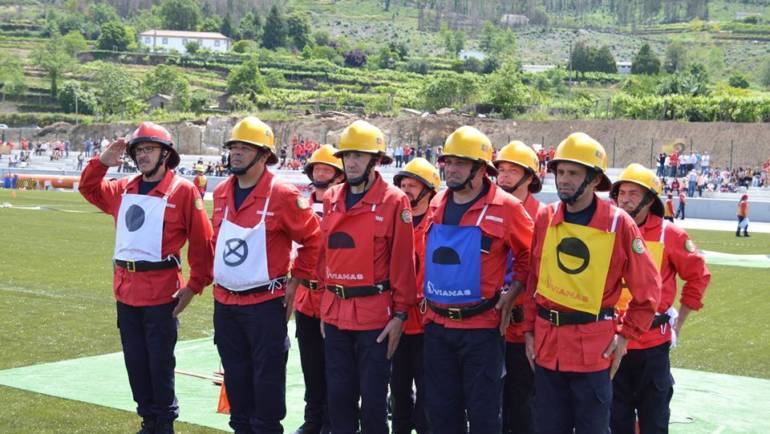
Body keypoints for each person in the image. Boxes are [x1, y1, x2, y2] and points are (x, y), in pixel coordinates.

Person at [79, 122, 214, 434]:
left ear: (166, 154)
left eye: (149, 149)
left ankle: (164, 422)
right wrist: (101, 162)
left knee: (159, 362)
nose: (143, 156)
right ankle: (148, 419)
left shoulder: (182, 191)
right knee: (136, 362)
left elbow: (202, 241)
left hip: (162, 293)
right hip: (126, 291)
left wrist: (195, 285)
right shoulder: (122, 188)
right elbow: (88, 189)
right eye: (139, 150)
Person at [522, 132, 661, 434]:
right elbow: (535, 279)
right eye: (560, 172)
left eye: (573, 173)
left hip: (593, 353)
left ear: (595, 180)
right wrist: (529, 331)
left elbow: (648, 290)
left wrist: (626, 336)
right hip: (547, 349)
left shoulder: (618, 223)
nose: (564, 180)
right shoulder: (546, 218)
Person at [211, 116, 321, 433]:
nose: (236, 153)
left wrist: (295, 282)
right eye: (233, 147)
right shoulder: (221, 193)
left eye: (245, 148)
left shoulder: (284, 195)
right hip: (226, 305)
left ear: (264, 155)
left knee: (267, 382)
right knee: (235, 378)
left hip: (264, 306)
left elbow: (313, 239)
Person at [422, 126, 533, 434]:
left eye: (460, 163)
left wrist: (512, 294)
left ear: (481, 169)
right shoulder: (436, 203)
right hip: (437, 327)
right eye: (448, 162)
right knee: (442, 416)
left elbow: (530, 257)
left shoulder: (508, 208)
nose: (451, 169)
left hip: (482, 331)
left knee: (484, 416)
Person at [318, 120, 417, 434]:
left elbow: (403, 262)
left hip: (375, 318)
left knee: (374, 402)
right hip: (335, 314)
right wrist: (324, 305)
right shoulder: (331, 197)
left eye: (360, 156)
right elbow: (325, 256)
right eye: (347, 156)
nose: (351, 162)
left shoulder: (394, 201)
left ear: (376, 160)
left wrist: (401, 314)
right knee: (338, 398)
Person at [611, 163, 710, 434]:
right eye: (622, 192)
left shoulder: (670, 234)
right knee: (614, 421)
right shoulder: (608, 230)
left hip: (652, 346)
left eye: (633, 193)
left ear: (649, 199)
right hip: (611, 340)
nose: (625, 199)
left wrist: (678, 324)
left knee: (653, 421)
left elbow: (699, 275)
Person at [293, 144, 345, 434]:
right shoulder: (300, 204)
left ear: (338, 175)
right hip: (305, 297)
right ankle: (313, 419)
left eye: (327, 169)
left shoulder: (342, 205)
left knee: (335, 366)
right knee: (311, 365)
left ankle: (332, 421)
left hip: (334, 297)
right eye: (317, 169)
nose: (321, 173)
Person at [493, 140, 545, 434]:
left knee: (525, 407)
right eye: (501, 169)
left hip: (524, 328)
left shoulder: (544, 217)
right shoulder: (487, 211)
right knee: (491, 405)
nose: (504, 176)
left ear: (530, 177)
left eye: (513, 170)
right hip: (488, 325)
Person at [391, 157, 441, 434]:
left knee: (428, 390)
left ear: (429, 189)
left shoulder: (441, 221)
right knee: (398, 387)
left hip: (428, 322)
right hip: (398, 319)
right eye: (403, 184)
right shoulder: (394, 220)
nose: (406, 190)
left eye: (413, 185)